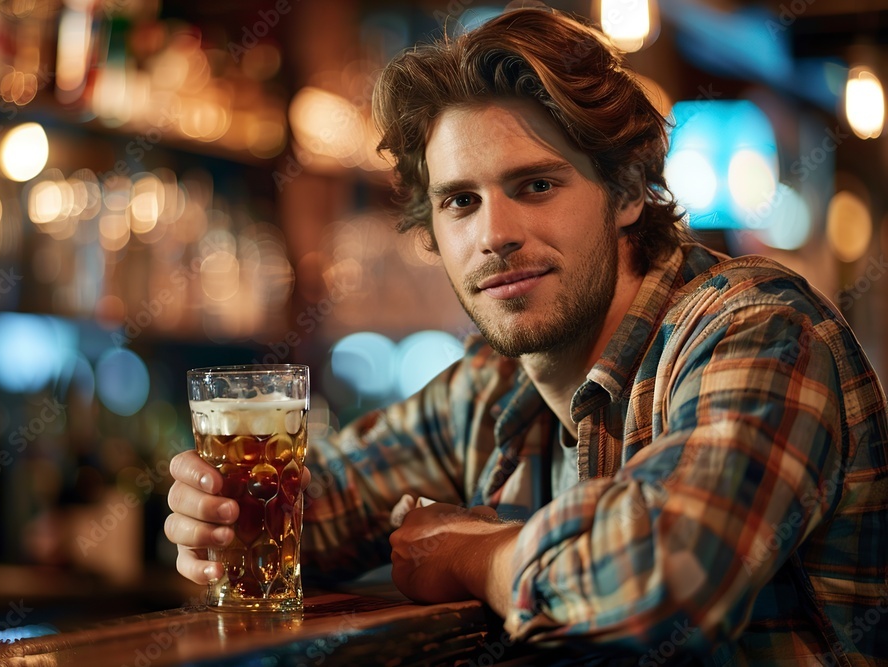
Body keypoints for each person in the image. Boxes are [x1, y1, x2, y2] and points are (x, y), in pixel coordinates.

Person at [165, 7, 888, 664]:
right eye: (460, 201)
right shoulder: (493, 384)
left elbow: (663, 578)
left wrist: (475, 557)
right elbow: (319, 505)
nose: (494, 236)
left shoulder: (759, 329)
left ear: (630, 189)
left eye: (536, 185)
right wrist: (216, 518)